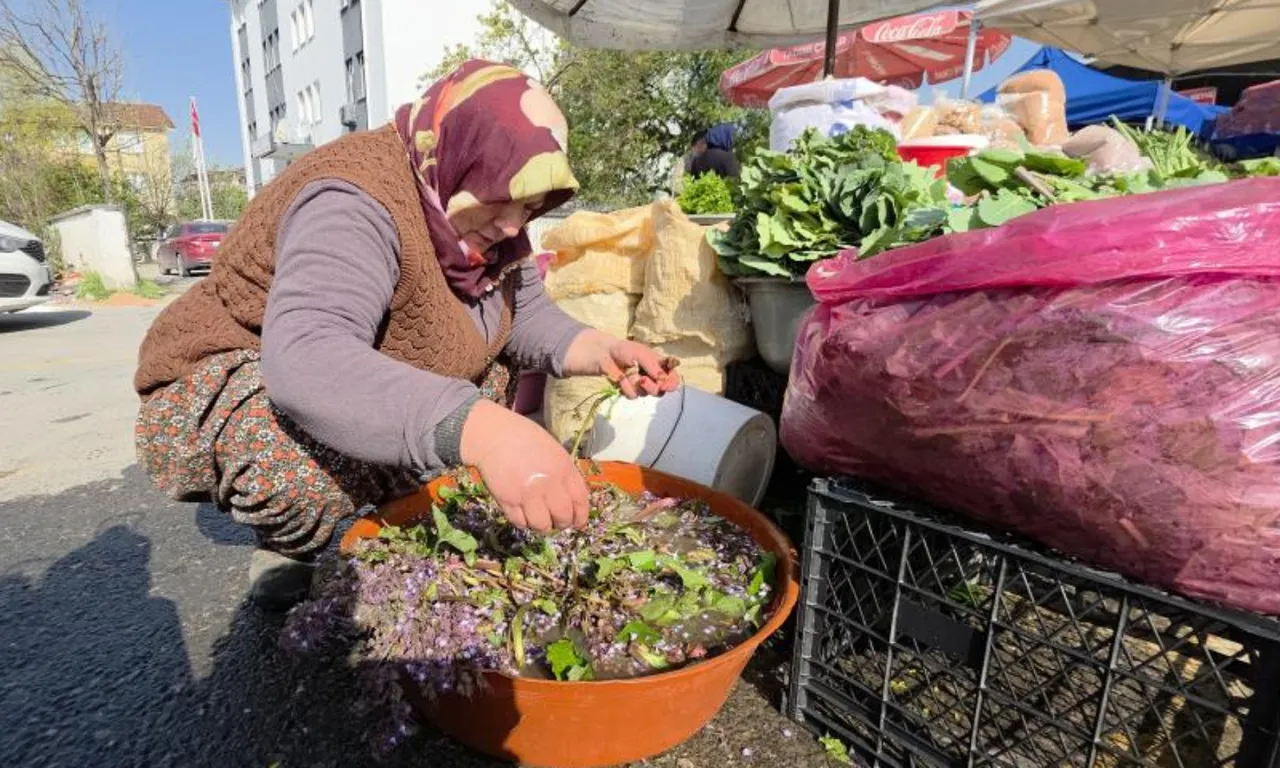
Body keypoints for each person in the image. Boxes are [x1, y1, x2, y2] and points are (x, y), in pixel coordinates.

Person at [132, 60, 680, 608]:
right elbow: (309, 359)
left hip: (354, 373)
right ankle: (290, 547)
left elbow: (527, 316)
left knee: (482, 382)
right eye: (501, 196)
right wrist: (491, 434)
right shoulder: (353, 198)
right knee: (300, 463)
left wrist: (602, 350)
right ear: (462, 157)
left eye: (530, 205)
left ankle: (396, 501)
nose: (514, 224)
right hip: (250, 373)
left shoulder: (487, 225)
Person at [669, 130, 707, 196]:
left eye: (706, 145)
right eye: (700, 145)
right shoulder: (684, 160)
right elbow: (675, 185)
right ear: (692, 146)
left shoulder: (710, 159)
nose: (703, 148)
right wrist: (691, 191)